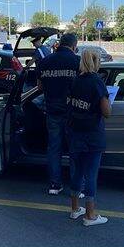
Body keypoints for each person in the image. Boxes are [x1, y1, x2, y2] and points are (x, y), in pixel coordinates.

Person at [68, 48, 111, 226]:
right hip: (92, 134)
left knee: (78, 171)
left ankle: (75, 209)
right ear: (96, 61)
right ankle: (90, 215)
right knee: (91, 174)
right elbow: (106, 112)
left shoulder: (76, 80)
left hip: (75, 132)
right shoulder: (97, 82)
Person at [37, 33, 81, 195]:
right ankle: (77, 187)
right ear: (74, 46)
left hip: (52, 110)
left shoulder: (45, 61)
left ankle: (55, 185)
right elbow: (84, 87)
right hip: (73, 112)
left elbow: (40, 87)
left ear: (59, 44)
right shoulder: (77, 61)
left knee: (54, 148)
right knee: (74, 149)